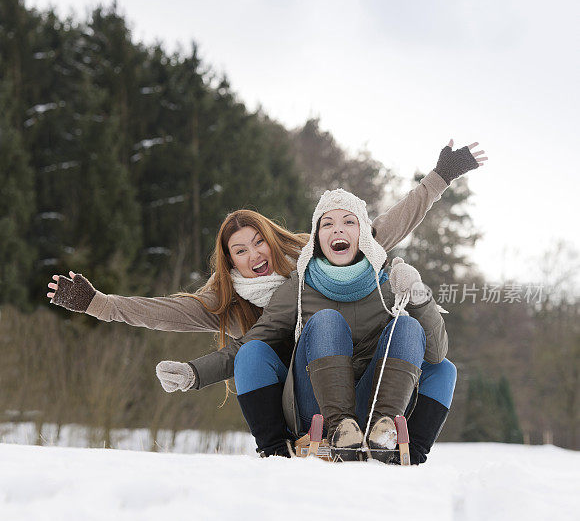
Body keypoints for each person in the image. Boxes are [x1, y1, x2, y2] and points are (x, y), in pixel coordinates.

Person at [49, 139, 486, 457]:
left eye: (259, 242)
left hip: (362, 374)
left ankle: (401, 444)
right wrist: (100, 305)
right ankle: (278, 449)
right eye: (240, 251)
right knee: (255, 354)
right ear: (229, 261)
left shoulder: (316, 254)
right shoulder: (235, 299)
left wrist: (439, 176)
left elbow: (389, 225)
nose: (255, 255)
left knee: (440, 366)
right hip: (300, 387)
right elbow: (170, 312)